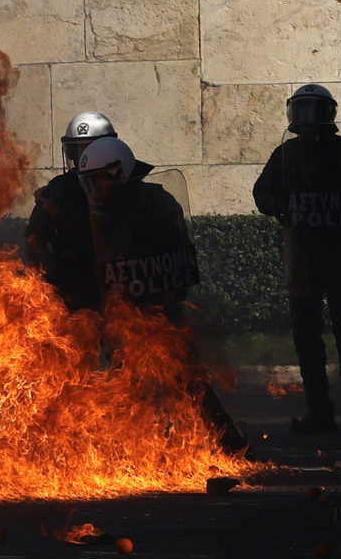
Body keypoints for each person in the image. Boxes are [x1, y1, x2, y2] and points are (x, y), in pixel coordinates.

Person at [77, 137, 246, 450]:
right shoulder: (101, 212)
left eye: (98, 180)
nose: (95, 190)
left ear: (118, 172)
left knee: (190, 379)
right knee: (124, 384)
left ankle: (228, 443)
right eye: (90, 183)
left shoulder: (158, 203)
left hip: (162, 309)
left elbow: (174, 256)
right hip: (126, 314)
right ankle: (125, 448)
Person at [253, 82, 341, 435]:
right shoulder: (289, 154)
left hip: (330, 260)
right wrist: (282, 206)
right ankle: (330, 414)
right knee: (314, 342)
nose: (307, 120)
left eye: (313, 111)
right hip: (310, 261)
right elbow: (262, 193)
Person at [21, 109, 118, 310]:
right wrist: (48, 272)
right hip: (71, 288)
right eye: (79, 149)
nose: (85, 155)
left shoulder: (124, 182)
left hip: (116, 284)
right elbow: (34, 237)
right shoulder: (58, 189)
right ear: (71, 153)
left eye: (91, 149)